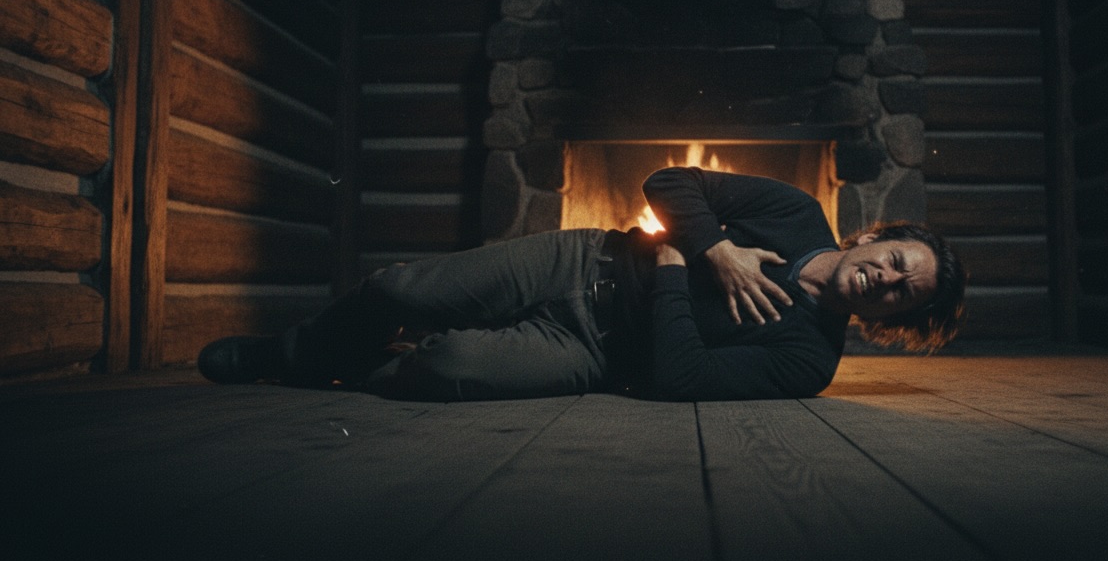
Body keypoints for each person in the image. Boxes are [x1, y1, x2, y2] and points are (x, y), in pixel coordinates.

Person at [198, 167, 967, 401]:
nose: (887, 280)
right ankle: (287, 354)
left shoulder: (808, 360)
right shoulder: (797, 212)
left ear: (893, 317)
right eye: (898, 261)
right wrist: (715, 249)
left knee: (446, 366)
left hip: (594, 352)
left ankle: (359, 363)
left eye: (904, 293)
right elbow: (669, 182)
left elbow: (679, 378)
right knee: (400, 290)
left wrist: (675, 269)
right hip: (580, 261)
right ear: (879, 237)